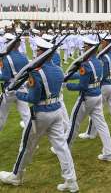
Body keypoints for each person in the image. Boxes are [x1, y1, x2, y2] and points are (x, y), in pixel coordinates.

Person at [0, 37, 79, 192]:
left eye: (38, 51)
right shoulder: (58, 69)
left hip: (41, 114)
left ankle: (16, 176)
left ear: (42, 53)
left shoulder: (37, 73)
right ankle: (71, 181)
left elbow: (33, 98)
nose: (36, 52)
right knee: (62, 147)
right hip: (56, 111)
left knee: (26, 146)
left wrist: (16, 93)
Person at [63, 36, 111, 162]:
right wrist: (68, 76)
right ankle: (109, 152)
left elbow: (82, 85)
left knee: (73, 123)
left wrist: (66, 85)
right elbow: (84, 75)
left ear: (89, 49)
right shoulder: (98, 62)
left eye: (85, 47)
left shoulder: (85, 65)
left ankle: (64, 148)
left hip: (86, 97)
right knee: (102, 125)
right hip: (97, 95)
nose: (83, 49)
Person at [79, 34, 111, 141]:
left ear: (106, 43)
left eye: (102, 42)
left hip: (104, 85)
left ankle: (91, 133)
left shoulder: (103, 57)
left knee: (95, 110)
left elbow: (101, 75)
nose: (101, 44)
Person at [0, 33, 30, 131]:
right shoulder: (24, 57)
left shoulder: (6, 57)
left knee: (1, 116)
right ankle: (31, 140)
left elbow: (6, 76)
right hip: (22, 88)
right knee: (26, 116)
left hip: (10, 89)